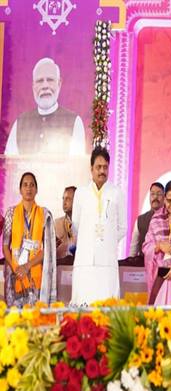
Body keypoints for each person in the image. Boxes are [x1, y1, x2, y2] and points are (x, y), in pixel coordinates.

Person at [71, 147, 126, 305]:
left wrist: (107, 241)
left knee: (106, 306)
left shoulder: (117, 193)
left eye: (105, 167)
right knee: (83, 306)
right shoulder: (81, 193)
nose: (102, 171)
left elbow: (122, 227)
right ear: (91, 169)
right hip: (85, 261)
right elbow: (76, 225)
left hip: (107, 262)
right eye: (98, 167)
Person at [5, 58, 86, 155]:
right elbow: (10, 162)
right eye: (40, 81)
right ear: (33, 86)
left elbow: (77, 162)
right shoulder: (20, 123)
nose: (45, 86)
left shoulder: (75, 121)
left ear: (59, 84)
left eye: (50, 80)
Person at [2, 172, 57, 307]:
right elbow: (5, 246)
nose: (28, 188)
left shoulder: (44, 214)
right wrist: (16, 268)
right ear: (20, 189)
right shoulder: (11, 213)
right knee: (15, 316)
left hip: (34, 275)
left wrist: (27, 266)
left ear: (36, 190)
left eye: (32, 185)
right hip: (14, 275)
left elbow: (48, 250)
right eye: (25, 185)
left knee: (34, 315)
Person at [129, 182, 165, 258]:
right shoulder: (140, 220)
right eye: (152, 194)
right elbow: (133, 249)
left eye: (159, 194)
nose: (155, 197)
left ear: (164, 197)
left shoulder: (169, 218)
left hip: (164, 263)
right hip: (143, 263)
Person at [55, 186, 77, 259]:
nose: (64, 202)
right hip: (61, 264)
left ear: (77, 201)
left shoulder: (85, 224)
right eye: (63, 199)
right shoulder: (56, 224)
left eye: (68, 199)